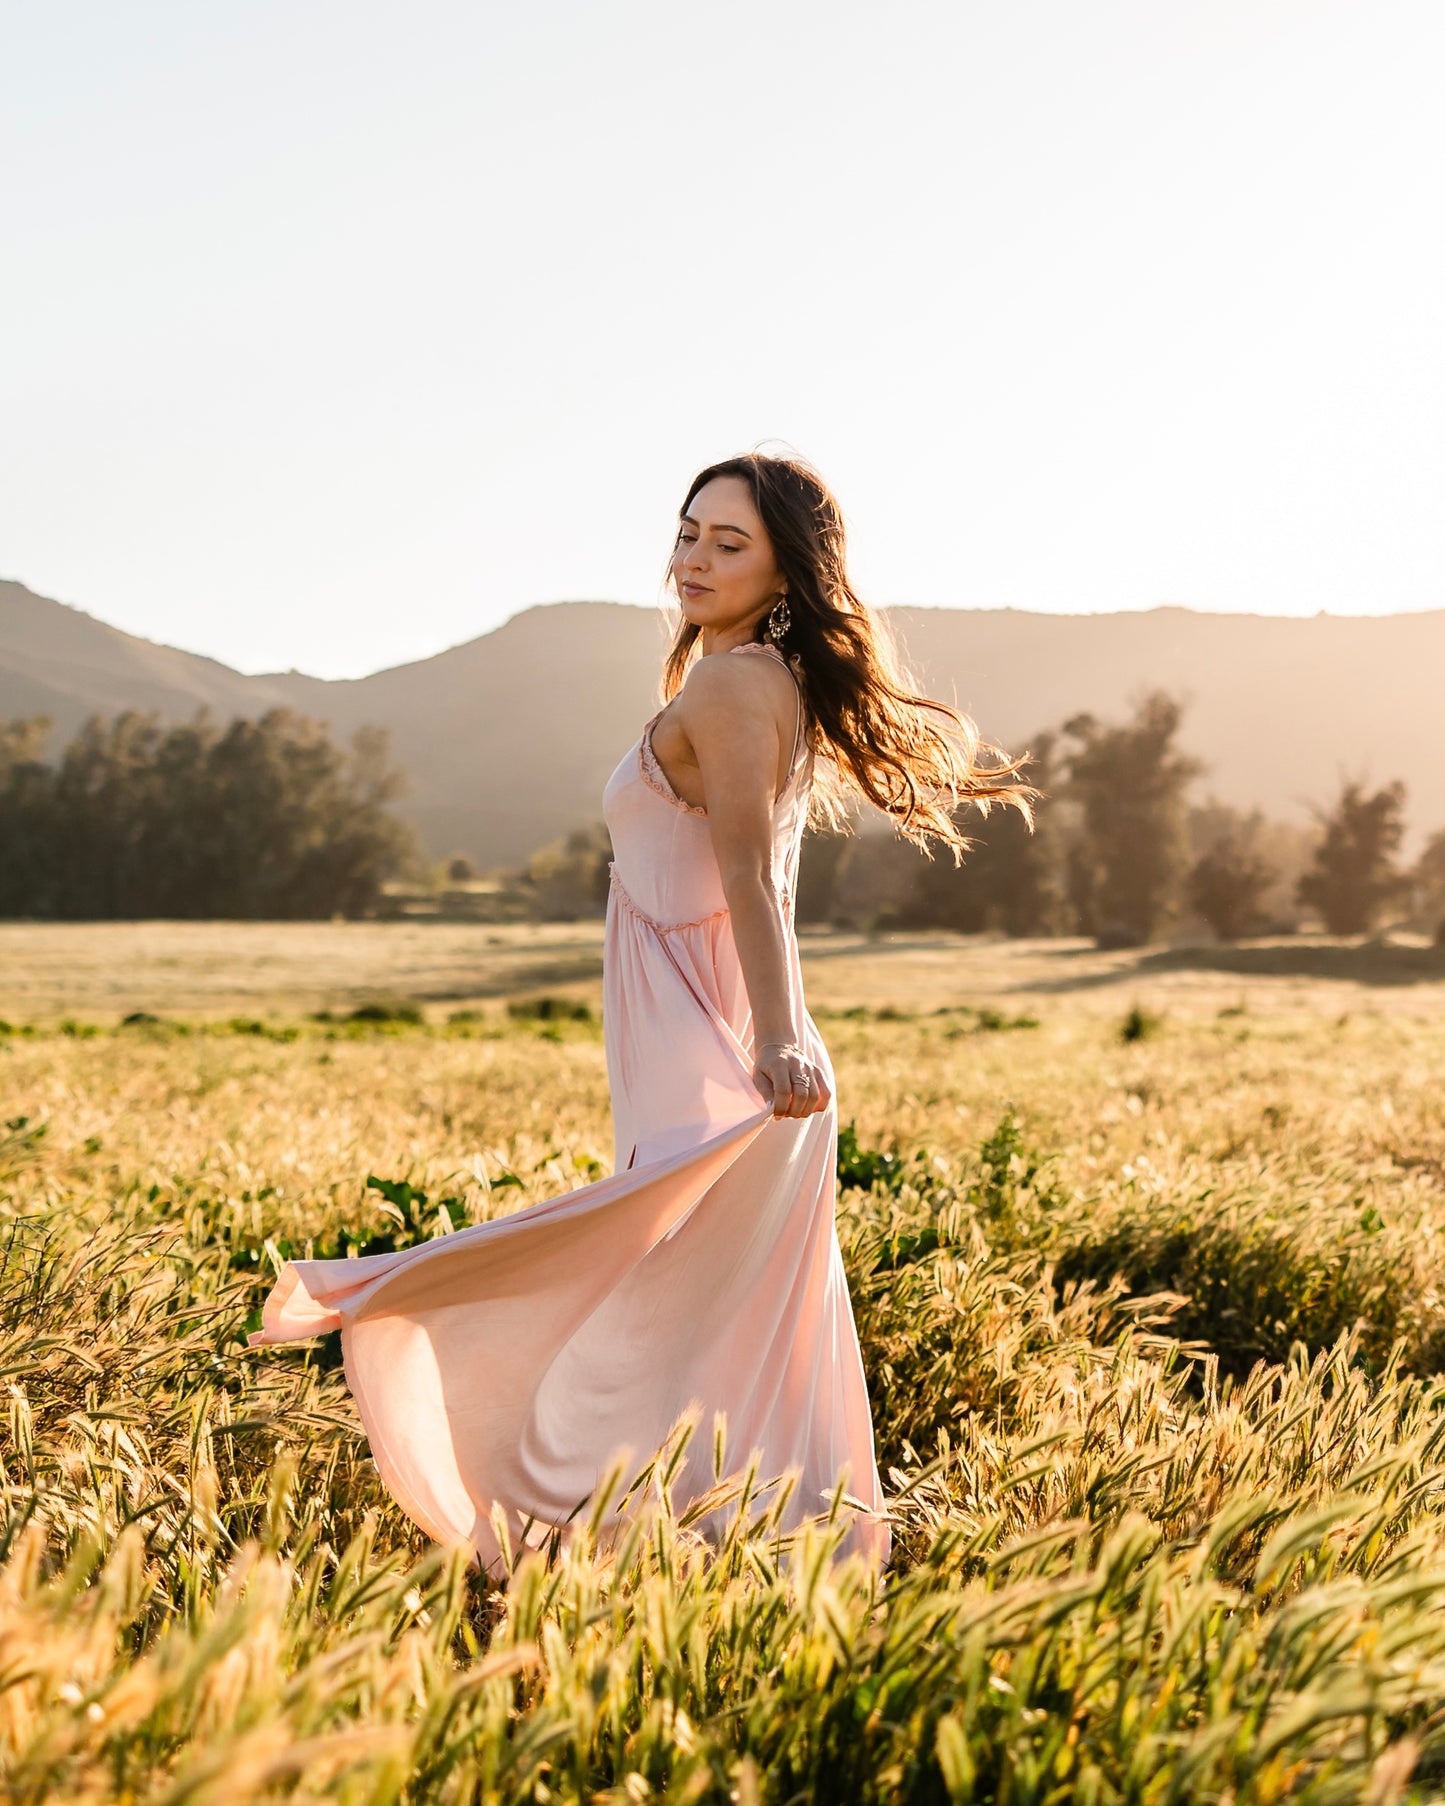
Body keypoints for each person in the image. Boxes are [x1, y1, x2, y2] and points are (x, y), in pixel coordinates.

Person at [249, 451, 1030, 1575]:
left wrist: (772, 1035)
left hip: (714, 1036)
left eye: (728, 544)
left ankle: (527, 1462)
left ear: (784, 572)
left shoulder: (730, 686)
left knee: (645, 1269)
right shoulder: (747, 680)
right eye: (687, 533)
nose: (693, 559)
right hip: (707, 1023)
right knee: (695, 1292)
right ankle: (726, 1536)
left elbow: (753, 876)